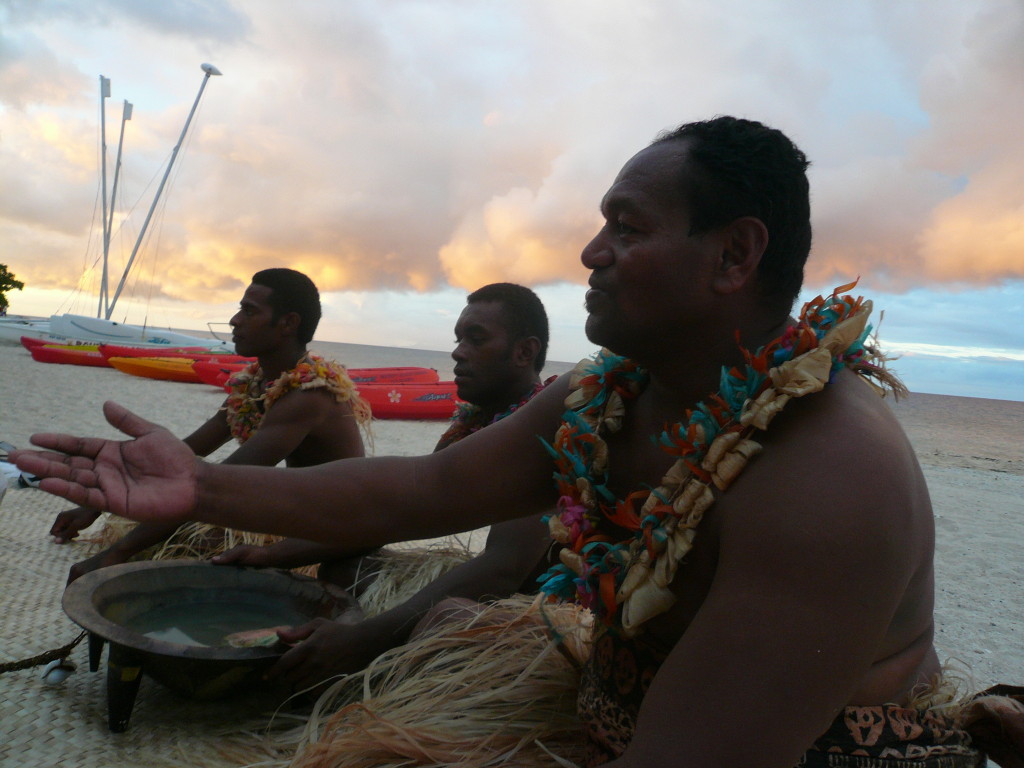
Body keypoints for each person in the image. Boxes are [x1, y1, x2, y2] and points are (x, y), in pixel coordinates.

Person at [15, 117, 1021, 767]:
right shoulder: (606, 398)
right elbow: (415, 496)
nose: (590, 252)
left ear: (734, 254)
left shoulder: (826, 474)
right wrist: (199, 488)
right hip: (615, 703)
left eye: (624, 227)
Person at [212, 282, 557, 690]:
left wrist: (363, 639)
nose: (457, 352)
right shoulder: (478, 427)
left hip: (542, 619)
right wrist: (269, 556)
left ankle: (367, 695)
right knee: (347, 567)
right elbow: (396, 517)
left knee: (449, 614)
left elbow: (502, 569)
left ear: (524, 352)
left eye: (476, 339)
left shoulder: (548, 431)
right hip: (500, 597)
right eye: (458, 338)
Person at [49, 267, 369, 583]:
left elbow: (213, 489)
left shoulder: (308, 395)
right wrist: (95, 503)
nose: (234, 320)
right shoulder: (257, 384)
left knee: (193, 548)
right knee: (174, 536)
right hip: (297, 512)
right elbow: (185, 452)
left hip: (342, 527)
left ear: (288, 323)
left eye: (249, 310)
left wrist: (117, 553)